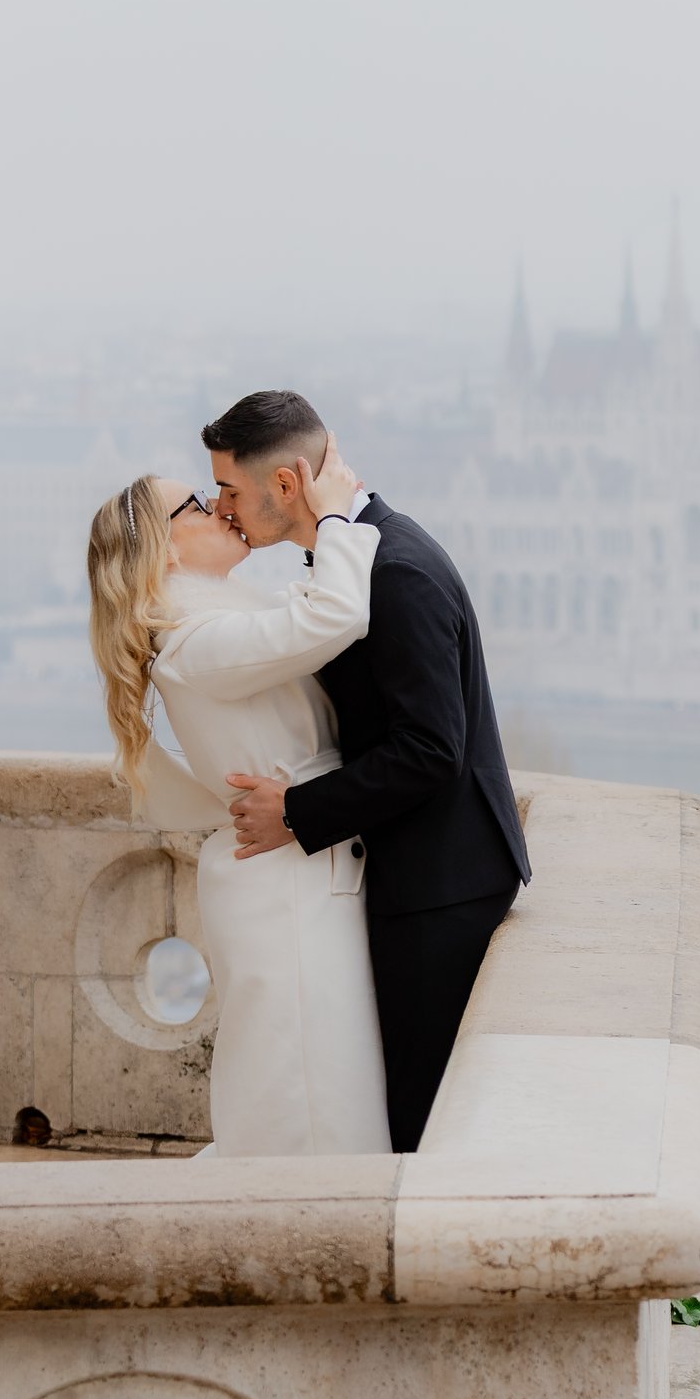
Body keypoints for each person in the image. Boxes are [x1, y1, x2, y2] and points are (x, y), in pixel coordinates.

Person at [204, 390, 531, 1153]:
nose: (223, 508)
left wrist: (299, 809)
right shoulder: (365, 553)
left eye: (230, 489)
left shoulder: (397, 572)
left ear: (286, 485)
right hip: (422, 875)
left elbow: (431, 747)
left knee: (420, 1118)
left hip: (440, 888)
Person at [82, 442, 391, 1155]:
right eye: (196, 504)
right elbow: (337, 613)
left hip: (294, 875)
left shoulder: (207, 626)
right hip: (287, 892)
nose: (221, 507)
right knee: (308, 1096)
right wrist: (335, 511)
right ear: (160, 553)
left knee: (315, 1082)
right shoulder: (195, 639)